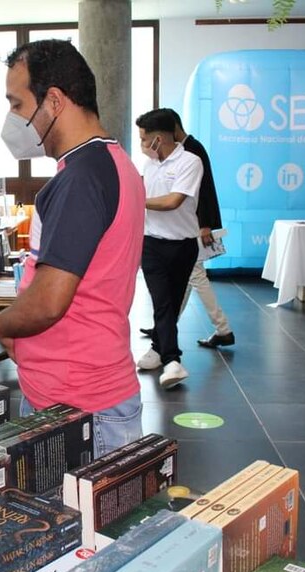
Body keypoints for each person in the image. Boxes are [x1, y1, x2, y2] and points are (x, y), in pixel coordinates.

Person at [0, 39, 145, 457]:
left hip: (79, 405)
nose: (13, 119)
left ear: (54, 100)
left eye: (17, 104)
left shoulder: (80, 178)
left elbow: (49, 301)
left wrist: (0, 324)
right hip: (84, 392)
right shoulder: (113, 162)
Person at [139, 108, 235, 349]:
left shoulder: (192, 153)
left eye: (144, 138)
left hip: (187, 232)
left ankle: (221, 327)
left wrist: (206, 225)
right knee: (187, 282)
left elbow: (202, 192)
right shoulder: (156, 161)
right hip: (174, 234)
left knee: (195, 277)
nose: (143, 144)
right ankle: (166, 327)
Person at [135, 110, 203, 388]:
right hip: (151, 244)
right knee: (162, 301)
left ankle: (157, 348)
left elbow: (173, 201)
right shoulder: (150, 164)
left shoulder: (190, 161)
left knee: (171, 304)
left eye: (143, 139)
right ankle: (173, 361)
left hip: (183, 246)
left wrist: (138, 199)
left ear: (158, 139)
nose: (141, 145)